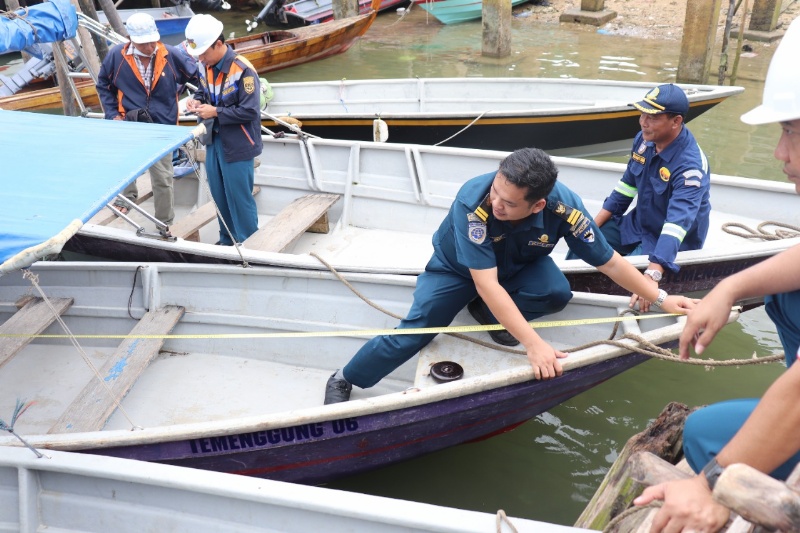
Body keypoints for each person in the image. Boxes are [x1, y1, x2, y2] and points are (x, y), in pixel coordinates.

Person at [324, 147, 697, 405]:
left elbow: (610, 262)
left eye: (508, 202)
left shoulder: (565, 208)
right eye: (496, 192)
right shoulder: (474, 202)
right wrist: (534, 344)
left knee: (556, 291)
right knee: (421, 326)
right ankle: (347, 376)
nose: (495, 203)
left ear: (538, 205)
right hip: (459, 270)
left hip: (519, 264)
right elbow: (485, 282)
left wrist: (662, 297)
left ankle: (492, 319)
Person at [633, 17, 800, 532]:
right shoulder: (644, 144)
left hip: (663, 240)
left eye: (791, 131)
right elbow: (622, 192)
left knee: (707, 434)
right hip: (641, 231)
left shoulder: (688, 163)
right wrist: (731, 285)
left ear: (676, 122)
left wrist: (714, 484)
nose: (779, 154)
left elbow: (681, 220)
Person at [568, 83, 711, 311]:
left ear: (676, 122)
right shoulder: (644, 141)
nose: (643, 121)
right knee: (582, 240)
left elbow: (677, 223)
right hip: (638, 225)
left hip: (668, 242)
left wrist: (652, 275)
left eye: (653, 117)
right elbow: (626, 187)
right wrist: (592, 225)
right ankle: (569, 289)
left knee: (628, 275)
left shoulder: (690, 168)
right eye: (643, 113)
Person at [96, 12, 198, 227]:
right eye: (144, 44)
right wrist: (113, 114)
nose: (151, 47)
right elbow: (104, 84)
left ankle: (164, 222)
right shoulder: (117, 56)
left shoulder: (170, 55)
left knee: (163, 178)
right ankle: (128, 197)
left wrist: (198, 98)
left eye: (153, 41)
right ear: (131, 39)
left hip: (163, 125)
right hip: (130, 123)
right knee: (127, 166)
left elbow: (197, 76)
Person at [183, 14, 262, 246]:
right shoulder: (205, 66)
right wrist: (195, 101)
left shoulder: (243, 70)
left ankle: (249, 243)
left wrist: (216, 112)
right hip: (214, 139)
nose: (202, 59)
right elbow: (203, 91)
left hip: (239, 142)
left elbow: (250, 112)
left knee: (239, 197)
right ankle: (227, 239)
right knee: (218, 194)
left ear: (219, 44)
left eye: (205, 53)